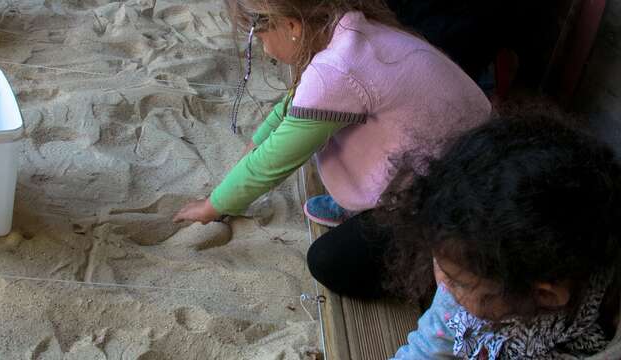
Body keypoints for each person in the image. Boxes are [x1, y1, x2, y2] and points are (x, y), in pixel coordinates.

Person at [309, 116, 621, 358]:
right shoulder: (466, 281)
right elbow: (426, 348)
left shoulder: (600, 333)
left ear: (545, 295)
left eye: (459, 281)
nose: (441, 283)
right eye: (440, 263)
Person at [172, 0, 491, 227]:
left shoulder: (335, 71)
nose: (265, 51)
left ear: (292, 26)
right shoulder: (347, 25)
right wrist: (256, 140)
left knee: (329, 262)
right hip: (481, 146)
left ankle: (373, 211)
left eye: (261, 40)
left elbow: (272, 161)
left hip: (452, 186)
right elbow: (296, 99)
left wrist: (211, 207)